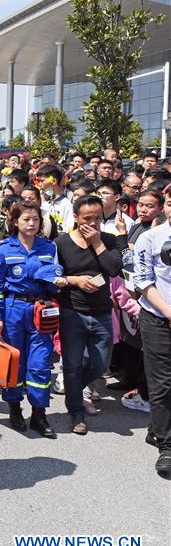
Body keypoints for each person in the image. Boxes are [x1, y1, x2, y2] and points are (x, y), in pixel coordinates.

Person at [0, 201, 62, 438]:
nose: (31, 223)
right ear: (15, 222)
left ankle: (39, 414)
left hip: (41, 309)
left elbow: (55, 278)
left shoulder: (49, 247)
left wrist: (56, 284)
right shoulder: (2, 249)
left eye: (36, 219)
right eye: (26, 219)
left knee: (40, 363)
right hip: (12, 309)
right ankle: (14, 408)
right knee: (14, 362)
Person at [54, 195, 123, 435]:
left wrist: (96, 243)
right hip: (72, 311)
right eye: (87, 218)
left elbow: (114, 268)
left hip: (102, 312)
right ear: (75, 218)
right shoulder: (61, 243)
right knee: (72, 365)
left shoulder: (109, 240)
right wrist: (75, 280)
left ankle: (74, 389)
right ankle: (76, 412)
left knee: (100, 363)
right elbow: (53, 277)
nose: (92, 223)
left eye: (97, 218)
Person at [132, 186, 171, 475]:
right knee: (163, 382)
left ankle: (156, 427)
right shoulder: (150, 238)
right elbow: (143, 281)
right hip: (157, 317)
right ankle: (167, 446)